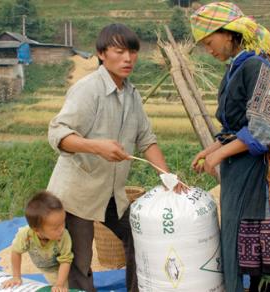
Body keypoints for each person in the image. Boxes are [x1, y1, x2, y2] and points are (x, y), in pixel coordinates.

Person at [47, 23, 181, 292]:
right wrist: (97, 147)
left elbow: (147, 140)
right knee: (78, 261)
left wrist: (169, 179)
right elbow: (58, 134)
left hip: (112, 193)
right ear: (101, 53)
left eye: (133, 52)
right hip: (78, 194)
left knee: (139, 235)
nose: (128, 59)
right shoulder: (89, 89)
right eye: (119, 51)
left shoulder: (132, 94)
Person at [190, 2, 270, 292]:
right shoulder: (234, 69)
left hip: (260, 171)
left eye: (209, 41)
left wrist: (218, 155)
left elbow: (262, 130)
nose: (209, 49)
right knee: (243, 245)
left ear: (229, 34)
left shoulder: (257, 67)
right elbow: (232, 126)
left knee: (262, 254)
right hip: (240, 168)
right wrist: (211, 149)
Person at [2, 191, 73, 292]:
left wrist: (60, 284)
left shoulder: (64, 236)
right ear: (36, 230)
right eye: (56, 227)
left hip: (59, 268)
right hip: (47, 269)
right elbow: (16, 251)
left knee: (63, 287)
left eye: (63, 222)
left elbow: (66, 261)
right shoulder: (26, 235)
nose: (62, 229)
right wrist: (16, 276)